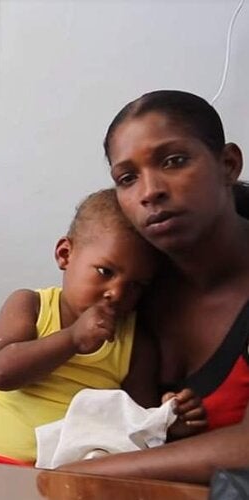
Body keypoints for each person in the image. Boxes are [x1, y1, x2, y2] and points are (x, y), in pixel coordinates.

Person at [0, 189, 205, 463]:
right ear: (65, 254)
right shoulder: (31, 305)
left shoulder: (135, 343)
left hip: (66, 474)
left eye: (136, 285)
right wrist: (72, 339)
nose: (116, 293)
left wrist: (167, 421)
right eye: (105, 271)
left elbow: (135, 425)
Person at [56, 90, 249, 483]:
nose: (150, 192)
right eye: (127, 178)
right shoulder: (130, 282)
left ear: (228, 164)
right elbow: (32, 373)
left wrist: (77, 475)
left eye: (174, 161)